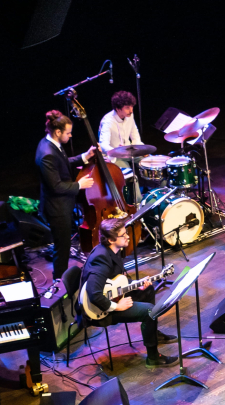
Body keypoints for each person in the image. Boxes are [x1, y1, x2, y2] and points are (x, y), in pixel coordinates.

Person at [80, 217, 178, 368]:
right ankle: (153, 358)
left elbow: (116, 280)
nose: (127, 236)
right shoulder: (101, 259)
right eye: (123, 234)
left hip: (113, 295)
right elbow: (94, 294)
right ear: (111, 240)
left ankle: (152, 332)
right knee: (150, 311)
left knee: (148, 290)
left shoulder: (113, 250)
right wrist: (117, 307)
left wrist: (135, 285)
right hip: (100, 308)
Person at [36, 110, 96, 284]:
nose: (70, 136)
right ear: (58, 132)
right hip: (56, 208)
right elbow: (55, 186)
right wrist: (79, 185)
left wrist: (85, 156)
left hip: (61, 205)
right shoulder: (46, 153)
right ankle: (59, 283)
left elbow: (62, 163)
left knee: (64, 246)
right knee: (62, 249)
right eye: (68, 133)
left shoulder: (51, 144)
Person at [98, 90, 141, 174]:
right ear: (118, 109)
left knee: (151, 163)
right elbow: (103, 144)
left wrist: (141, 150)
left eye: (132, 107)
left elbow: (135, 134)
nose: (131, 110)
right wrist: (116, 151)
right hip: (115, 157)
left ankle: (157, 186)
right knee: (129, 175)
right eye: (127, 108)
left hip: (129, 152)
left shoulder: (130, 115)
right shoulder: (107, 121)